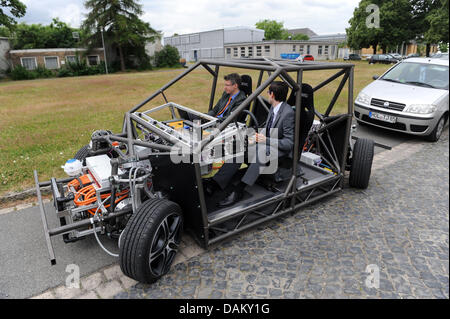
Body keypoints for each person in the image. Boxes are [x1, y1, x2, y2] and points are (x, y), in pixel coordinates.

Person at [205, 81, 295, 207]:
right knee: (240, 147)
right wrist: (254, 138)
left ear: (272, 94)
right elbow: (268, 128)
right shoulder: (275, 107)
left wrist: (265, 140)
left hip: (279, 150)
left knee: (261, 153)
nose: (267, 95)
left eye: (268, 93)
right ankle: (216, 182)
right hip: (267, 144)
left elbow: (289, 143)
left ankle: (239, 190)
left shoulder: (288, 113)